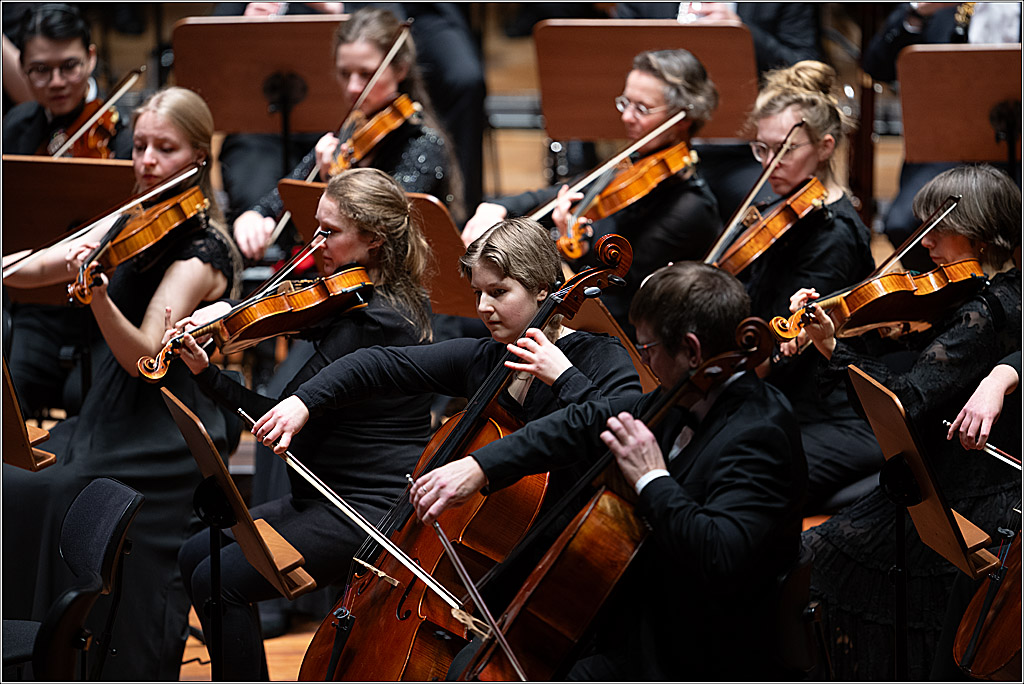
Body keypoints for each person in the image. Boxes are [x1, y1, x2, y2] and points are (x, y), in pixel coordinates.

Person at [409, 262, 808, 680]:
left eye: (649, 348)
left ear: (691, 350)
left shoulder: (760, 432)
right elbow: (584, 421)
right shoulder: (685, 395)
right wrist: (478, 466)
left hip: (703, 648)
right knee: (468, 667)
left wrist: (652, 479)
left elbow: (720, 555)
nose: (647, 362)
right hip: (640, 614)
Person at [2, 86, 242, 681]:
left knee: (62, 492)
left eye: (165, 148)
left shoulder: (203, 252)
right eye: (140, 147)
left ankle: (78, 657)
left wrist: (99, 298)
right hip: (109, 410)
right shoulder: (131, 217)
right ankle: (26, 654)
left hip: (164, 424)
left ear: (197, 158)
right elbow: (32, 267)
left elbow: (145, 357)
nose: (147, 162)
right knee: (18, 485)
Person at [173, 167, 434, 680]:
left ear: (374, 241)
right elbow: (295, 309)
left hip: (366, 511)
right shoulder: (357, 298)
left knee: (219, 579)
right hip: (319, 496)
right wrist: (225, 316)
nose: (315, 245)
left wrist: (208, 375)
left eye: (330, 233)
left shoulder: (377, 322)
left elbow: (275, 414)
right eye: (315, 227)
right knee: (194, 555)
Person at [793, 164, 1021, 680]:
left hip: (960, 496)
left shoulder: (985, 312)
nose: (928, 243)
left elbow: (905, 399)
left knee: (817, 558)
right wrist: (837, 335)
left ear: (981, 235)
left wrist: (834, 347)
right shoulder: (998, 293)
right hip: (968, 482)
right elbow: (909, 339)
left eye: (939, 230)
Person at [460, 48, 722, 340]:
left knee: (469, 330)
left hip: (615, 337)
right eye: (625, 103)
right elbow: (554, 194)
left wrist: (562, 249)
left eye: (642, 109)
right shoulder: (629, 162)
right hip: (574, 309)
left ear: (683, 118)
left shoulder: (690, 210)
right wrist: (496, 208)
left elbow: (616, 303)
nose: (627, 117)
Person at [738, 60, 882, 513]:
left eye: (785, 150)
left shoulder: (834, 234)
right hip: (777, 393)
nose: (770, 164)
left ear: (825, 147)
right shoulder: (778, 204)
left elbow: (783, 351)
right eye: (761, 149)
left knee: (741, 486)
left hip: (827, 410)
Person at [231, 6, 461, 261]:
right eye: (344, 74)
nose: (353, 87)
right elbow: (286, 192)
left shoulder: (423, 144)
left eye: (366, 74)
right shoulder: (352, 129)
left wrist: (335, 180)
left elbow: (382, 231)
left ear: (401, 70)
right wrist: (255, 215)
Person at [3, 3, 133, 418]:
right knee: (11, 407)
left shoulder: (126, 134)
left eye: (70, 66)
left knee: (97, 417)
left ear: (92, 57)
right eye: (40, 70)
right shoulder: (17, 127)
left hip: (107, 310)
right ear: (22, 68)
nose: (57, 82)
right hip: (37, 308)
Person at [864, 2, 1022, 273]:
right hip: (948, 149)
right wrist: (917, 12)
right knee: (903, 223)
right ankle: (945, 306)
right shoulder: (941, 8)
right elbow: (876, 65)